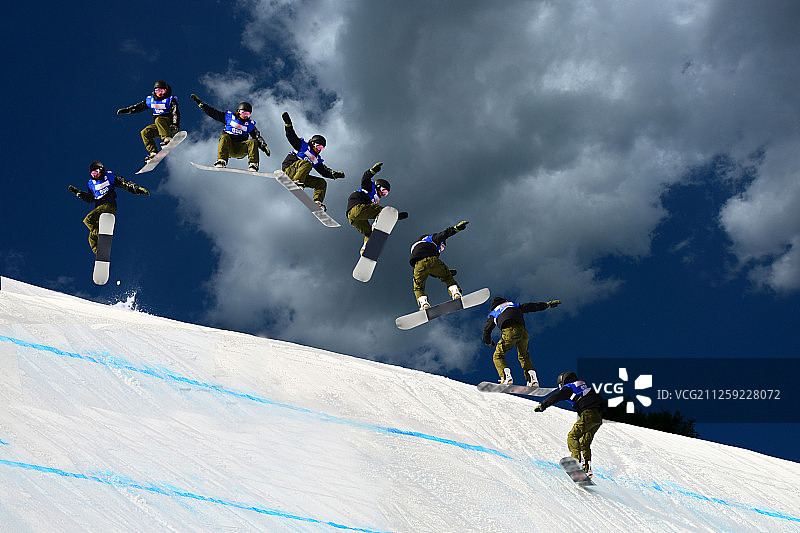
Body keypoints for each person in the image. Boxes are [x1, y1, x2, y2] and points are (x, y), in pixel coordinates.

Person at [68, 161, 149, 253]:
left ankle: (100, 234)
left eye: (95, 173)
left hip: (108, 205)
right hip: (98, 209)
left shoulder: (109, 177)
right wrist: (77, 192)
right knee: (92, 237)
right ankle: (98, 252)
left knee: (88, 220)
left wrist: (137, 189)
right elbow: (90, 198)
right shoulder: (91, 184)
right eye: (92, 174)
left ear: (101, 170)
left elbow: (123, 183)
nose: (94, 176)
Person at [534, 370, 604, 477]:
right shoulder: (583, 386)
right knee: (584, 443)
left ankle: (577, 463)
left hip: (588, 414)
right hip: (598, 418)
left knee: (572, 436)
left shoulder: (570, 387)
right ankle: (587, 469)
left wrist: (543, 405)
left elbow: (556, 396)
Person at [482, 297, 562, 386]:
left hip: (510, 330)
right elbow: (532, 306)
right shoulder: (513, 305)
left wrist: (488, 341)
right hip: (523, 332)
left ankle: (505, 378)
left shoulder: (494, 313)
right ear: (505, 301)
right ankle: (532, 380)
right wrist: (547, 304)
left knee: (498, 355)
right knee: (524, 356)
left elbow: (487, 330)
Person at [279, 112, 344, 209]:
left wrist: (334, 174)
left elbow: (324, 171)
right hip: (290, 168)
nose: (319, 150)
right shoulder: (303, 146)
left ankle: (317, 202)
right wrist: (288, 124)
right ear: (312, 143)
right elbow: (291, 136)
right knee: (307, 164)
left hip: (301, 177)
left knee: (321, 183)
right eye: (318, 146)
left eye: (321, 148)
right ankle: (297, 181)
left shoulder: (316, 159)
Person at [190, 94, 270, 171]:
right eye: (244, 113)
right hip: (229, 147)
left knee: (253, 141)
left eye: (248, 114)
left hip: (241, 148)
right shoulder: (229, 117)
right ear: (238, 111)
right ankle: (221, 160)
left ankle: (253, 164)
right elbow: (213, 113)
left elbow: (257, 136)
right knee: (225, 137)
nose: (245, 116)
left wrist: (263, 146)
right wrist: (201, 104)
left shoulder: (249, 124)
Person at [409, 221, 468, 309]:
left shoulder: (415, 246)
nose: (441, 249)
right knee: (448, 278)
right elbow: (443, 235)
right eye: (442, 246)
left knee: (418, 288)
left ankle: (424, 304)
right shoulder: (430, 239)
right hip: (432, 260)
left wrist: (447, 271)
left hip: (418, 266)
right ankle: (456, 293)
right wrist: (455, 229)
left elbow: (429, 270)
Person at [346, 161, 407, 247]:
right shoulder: (371, 187)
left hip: (353, 218)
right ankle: (377, 223)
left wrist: (395, 217)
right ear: (379, 186)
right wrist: (373, 171)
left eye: (386, 194)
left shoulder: (373, 198)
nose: (383, 194)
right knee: (382, 210)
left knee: (369, 234)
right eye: (384, 191)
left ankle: (366, 247)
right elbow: (365, 178)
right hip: (357, 207)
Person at [117, 80, 181, 162]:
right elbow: (139, 107)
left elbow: (175, 112)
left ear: (166, 91)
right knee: (145, 132)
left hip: (169, 123)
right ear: (154, 91)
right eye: (158, 91)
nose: (160, 93)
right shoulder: (150, 100)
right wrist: (128, 110)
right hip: (161, 127)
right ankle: (153, 153)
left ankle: (167, 138)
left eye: (162, 91)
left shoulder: (170, 100)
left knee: (159, 119)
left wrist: (175, 125)